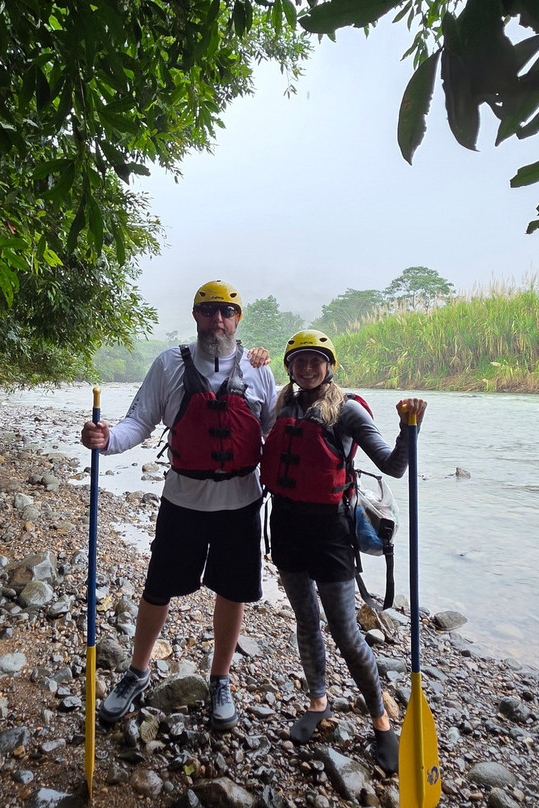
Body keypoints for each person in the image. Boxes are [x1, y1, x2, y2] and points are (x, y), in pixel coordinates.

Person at [81, 280, 278, 731]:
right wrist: (107, 439)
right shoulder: (169, 363)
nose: (217, 320)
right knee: (158, 588)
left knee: (231, 591)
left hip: (241, 503)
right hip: (183, 500)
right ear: (196, 316)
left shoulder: (258, 369)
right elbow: (139, 421)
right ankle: (137, 671)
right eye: (208, 311)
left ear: (238, 319)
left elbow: (273, 428)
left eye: (226, 312)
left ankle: (220, 678)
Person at [259, 329, 427, 775]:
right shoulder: (280, 406)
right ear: (290, 368)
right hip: (286, 529)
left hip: (331, 534)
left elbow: (392, 465)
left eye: (316, 361)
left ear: (329, 367)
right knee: (305, 621)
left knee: (346, 631)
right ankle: (317, 700)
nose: (307, 368)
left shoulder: (347, 410)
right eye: (299, 362)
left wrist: (409, 428)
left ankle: (381, 721)